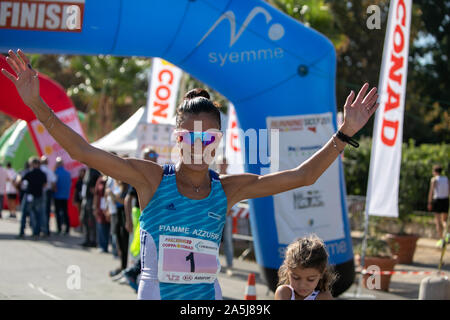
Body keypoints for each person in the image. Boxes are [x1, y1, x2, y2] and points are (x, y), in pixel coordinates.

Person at [2, 49, 379, 300]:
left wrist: (344, 133)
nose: (199, 145)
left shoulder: (228, 189)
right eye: (189, 137)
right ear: (176, 138)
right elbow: (82, 151)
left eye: (209, 137)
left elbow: (303, 176)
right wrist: (35, 102)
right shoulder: (150, 179)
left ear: (218, 141)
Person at [274, 234, 336, 300]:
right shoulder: (284, 292)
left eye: (310, 279)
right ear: (288, 271)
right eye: (296, 278)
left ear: (322, 274)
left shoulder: (324, 297)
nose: (302, 285)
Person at [18, 157, 47, 239]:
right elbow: (45, 184)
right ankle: (36, 233)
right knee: (38, 215)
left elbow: (19, 181)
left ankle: (22, 232)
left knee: (24, 214)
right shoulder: (42, 173)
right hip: (39, 196)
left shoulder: (29, 172)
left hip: (29, 195)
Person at [216, 155, 234, 275]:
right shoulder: (212, 177)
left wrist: (231, 208)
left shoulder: (232, 178)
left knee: (228, 241)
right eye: (221, 163)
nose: (223, 165)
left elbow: (236, 195)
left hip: (226, 215)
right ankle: (213, 265)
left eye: (224, 163)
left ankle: (229, 265)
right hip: (214, 216)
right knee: (213, 239)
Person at [427, 164, 449, 247]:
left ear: (435, 172)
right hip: (445, 200)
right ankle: (447, 234)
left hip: (438, 200)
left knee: (438, 221)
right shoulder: (446, 179)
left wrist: (429, 202)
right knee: (444, 220)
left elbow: (431, 192)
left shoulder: (434, 180)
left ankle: (441, 239)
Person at [80, 167, 101, 247]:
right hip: (85, 198)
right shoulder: (88, 171)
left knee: (91, 220)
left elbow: (97, 186)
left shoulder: (95, 172)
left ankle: (93, 240)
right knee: (84, 219)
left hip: (90, 199)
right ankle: (87, 239)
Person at [53, 157, 72, 234]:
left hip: (57, 195)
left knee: (58, 212)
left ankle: (59, 228)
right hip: (65, 196)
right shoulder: (67, 173)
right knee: (65, 212)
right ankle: (67, 228)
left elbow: (53, 184)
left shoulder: (56, 172)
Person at [40, 156, 57, 236]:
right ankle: (45, 229)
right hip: (47, 192)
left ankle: (41, 228)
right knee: (46, 211)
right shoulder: (49, 171)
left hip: (40, 192)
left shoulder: (40, 170)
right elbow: (53, 182)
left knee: (40, 211)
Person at [93, 174, 110, 253]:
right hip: (100, 205)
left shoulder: (111, 178)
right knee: (100, 225)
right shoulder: (100, 179)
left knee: (108, 226)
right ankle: (102, 245)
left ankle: (108, 245)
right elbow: (96, 194)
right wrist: (95, 207)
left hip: (109, 205)